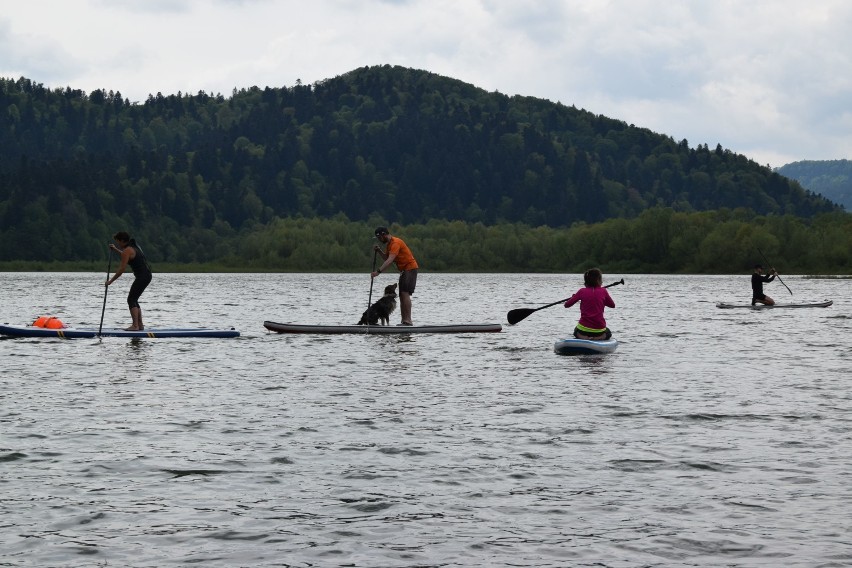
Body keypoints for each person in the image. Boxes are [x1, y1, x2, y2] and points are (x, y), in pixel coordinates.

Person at [371, 226, 419, 325]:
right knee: (402, 295)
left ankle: (407, 321)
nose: (379, 240)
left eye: (379, 238)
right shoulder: (389, 245)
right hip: (404, 271)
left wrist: (378, 272)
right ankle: (404, 321)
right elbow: (386, 258)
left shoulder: (396, 243)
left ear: (383, 235)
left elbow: (390, 260)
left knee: (405, 293)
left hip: (410, 268)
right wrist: (379, 251)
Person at [106, 231, 153, 330]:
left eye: (118, 242)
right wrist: (115, 249)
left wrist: (110, 281)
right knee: (134, 299)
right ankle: (140, 325)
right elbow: (125, 255)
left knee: (131, 299)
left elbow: (122, 269)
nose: (118, 244)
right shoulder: (133, 247)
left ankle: (135, 326)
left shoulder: (128, 250)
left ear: (122, 240)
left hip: (142, 276)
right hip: (147, 275)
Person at [563, 268, 615, 340]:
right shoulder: (603, 291)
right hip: (599, 330)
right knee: (608, 332)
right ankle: (599, 337)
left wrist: (574, 297)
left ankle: (583, 337)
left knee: (576, 331)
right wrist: (601, 299)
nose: (602, 281)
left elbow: (566, 305)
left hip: (583, 330)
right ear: (598, 280)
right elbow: (612, 305)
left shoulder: (581, 291)